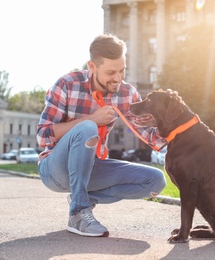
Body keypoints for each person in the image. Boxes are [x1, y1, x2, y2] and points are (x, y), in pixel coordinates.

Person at [37, 34, 168, 237]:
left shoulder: (126, 93)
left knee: (155, 180)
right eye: (110, 72)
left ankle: (83, 199)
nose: (118, 78)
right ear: (92, 66)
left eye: (122, 71)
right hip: (54, 170)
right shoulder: (66, 85)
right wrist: (92, 119)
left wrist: (181, 129)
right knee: (88, 127)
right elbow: (43, 136)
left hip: (91, 168)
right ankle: (78, 214)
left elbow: (149, 134)